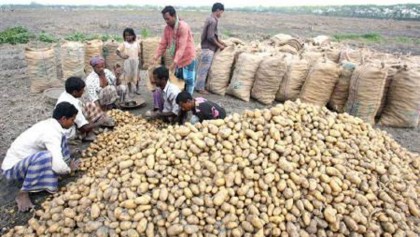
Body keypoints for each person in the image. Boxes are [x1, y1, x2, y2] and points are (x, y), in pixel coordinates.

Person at [1, 102, 81, 212]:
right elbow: (58, 167)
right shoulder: (51, 133)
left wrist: (65, 164)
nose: (73, 123)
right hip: (12, 170)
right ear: (63, 119)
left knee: (60, 141)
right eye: (72, 120)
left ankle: (60, 166)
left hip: (25, 160)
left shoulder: (52, 125)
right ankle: (23, 192)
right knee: (47, 157)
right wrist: (68, 170)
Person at [153, 5, 197, 95]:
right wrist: (155, 57)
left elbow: (181, 48)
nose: (166, 21)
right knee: (178, 80)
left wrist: (174, 63)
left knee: (188, 81)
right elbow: (163, 44)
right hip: (178, 59)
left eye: (168, 19)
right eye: (165, 19)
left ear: (174, 16)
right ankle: (178, 100)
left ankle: (188, 101)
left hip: (188, 57)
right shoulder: (167, 29)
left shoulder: (183, 27)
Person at [56, 77, 114, 141]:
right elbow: (83, 128)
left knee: (89, 105)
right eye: (82, 90)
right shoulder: (73, 106)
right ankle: (85, 136)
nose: (83, 92)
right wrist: (100, 122)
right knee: (86, 123)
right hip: (68, 132)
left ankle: (93, 126)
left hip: (63, 122)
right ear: (75, 92)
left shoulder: (66, 94)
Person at [195, 3, 227, 94]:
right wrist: (220, 46)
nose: (221, 14)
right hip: (208, 48)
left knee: (201, 68)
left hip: (205, 47)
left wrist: (221, 42)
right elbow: (210, 37)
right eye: (221, 12)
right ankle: (200, 88)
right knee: (204, 69)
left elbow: (213, 36)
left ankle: (198, 86)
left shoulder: (209, 18)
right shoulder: (213, 21)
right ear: (217, 10)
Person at [116, 28, 141, 97]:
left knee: (136, 75)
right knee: (128, 77)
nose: (128, 37)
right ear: (124, 36)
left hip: (136, 62)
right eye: (126, 35)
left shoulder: (136, 43)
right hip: (128, 63)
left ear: (133, 36)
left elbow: (139, 53)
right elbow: (117, 51)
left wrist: (140, 62)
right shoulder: (124, 44)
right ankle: (130, 90)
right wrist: (123, 56)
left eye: (130, 35)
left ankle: (137, 89)